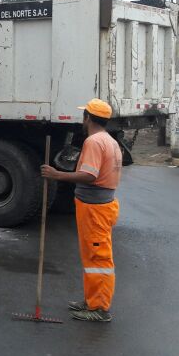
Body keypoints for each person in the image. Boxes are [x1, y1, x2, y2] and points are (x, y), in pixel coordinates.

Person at [40, 98, 122, 323]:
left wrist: (57, 175)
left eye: (83, 116)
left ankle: (99, 308)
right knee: (92, 256)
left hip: (96, 209)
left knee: (98, 258)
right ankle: (91, 300)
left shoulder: (94, 142)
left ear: (87, 117)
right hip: (97, 207)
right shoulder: (108, 140)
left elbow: (89, 175)